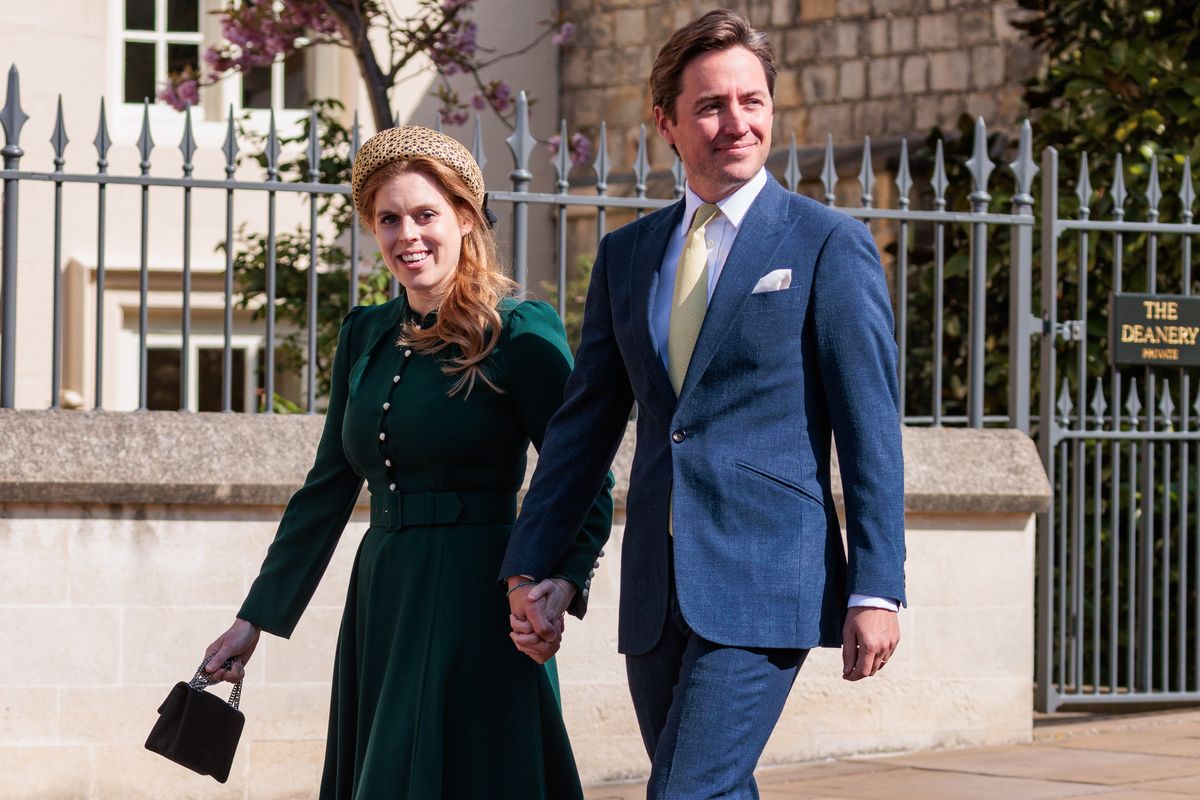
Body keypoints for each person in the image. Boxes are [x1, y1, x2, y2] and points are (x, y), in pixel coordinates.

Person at [500, 9, 905, 799]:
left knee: (685, 792)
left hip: (767, 579)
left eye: (752, 101)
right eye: (712, 106)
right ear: (667, 122)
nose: (737, 123)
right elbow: (584, 426)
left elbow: (870, 432)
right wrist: (533, 566)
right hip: (657, 592)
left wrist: (876, 586)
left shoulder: (826, 242)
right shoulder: (627, 254)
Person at [200, 126, 612, 799]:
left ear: (465, 218)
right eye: (389, 219)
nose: (408, 235)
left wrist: (560, 581)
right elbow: (328, 487)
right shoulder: (364, 333)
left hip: (481, 598)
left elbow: (585, 475)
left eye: (425, 214)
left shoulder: (519, 331)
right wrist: (255, 619)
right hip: (384, 595)